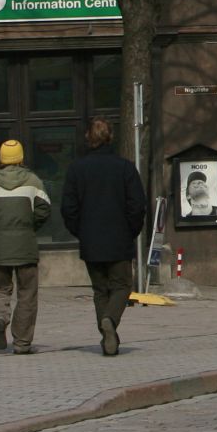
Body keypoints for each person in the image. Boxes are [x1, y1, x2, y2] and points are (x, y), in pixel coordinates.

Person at [59, 118, 147, 356]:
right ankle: (110, 320)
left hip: (91, 240)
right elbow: (137, 205)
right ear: (110, 137)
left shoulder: (77, 169)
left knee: (100, 289)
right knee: (122, 286)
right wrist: (131, 230)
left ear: (89, 137)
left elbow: (68, 208)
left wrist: (81, 231)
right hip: (119, 238)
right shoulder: (125, 168)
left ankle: (106, 333)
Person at [0, 139, 51, 355]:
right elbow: (44, 210)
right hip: (25, 247)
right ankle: (22, 343)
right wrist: (30, 226)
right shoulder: (34, 182)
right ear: (21, 158)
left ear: (1, 158)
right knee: (27, 294)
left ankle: (0, 318)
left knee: (0, 289)